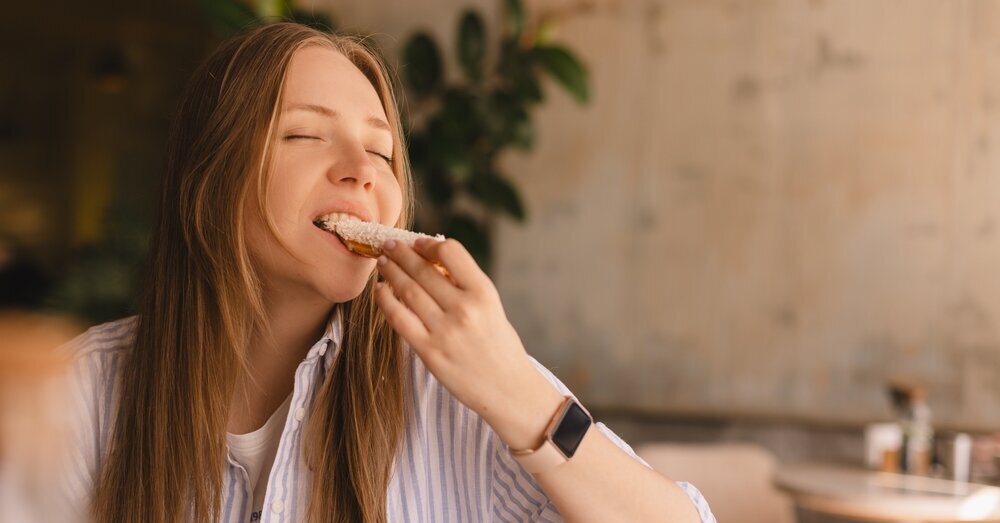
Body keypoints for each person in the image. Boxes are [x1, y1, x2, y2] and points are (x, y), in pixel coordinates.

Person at [60, 22, 716, 523]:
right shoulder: (79, 395)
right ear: (209, 181)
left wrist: (514, 388)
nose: (363, 171)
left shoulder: (457, 389)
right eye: (306, 135)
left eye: (381, 151)